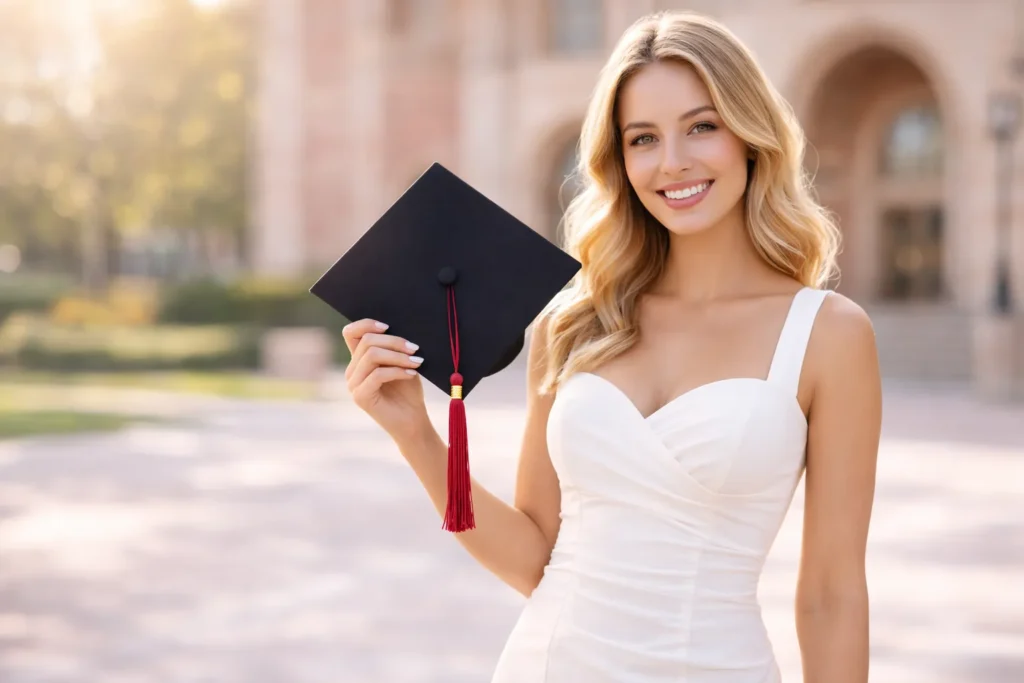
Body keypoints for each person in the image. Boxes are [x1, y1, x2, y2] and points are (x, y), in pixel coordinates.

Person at [341, 10, 881, 683]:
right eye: (643, 138)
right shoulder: (573, 325)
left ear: (750, 135)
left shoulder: (828, 334)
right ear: (618, 161)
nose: (673, 161)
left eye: (702, 126)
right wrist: (416, 434)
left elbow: (831, 594)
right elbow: (535, 559)